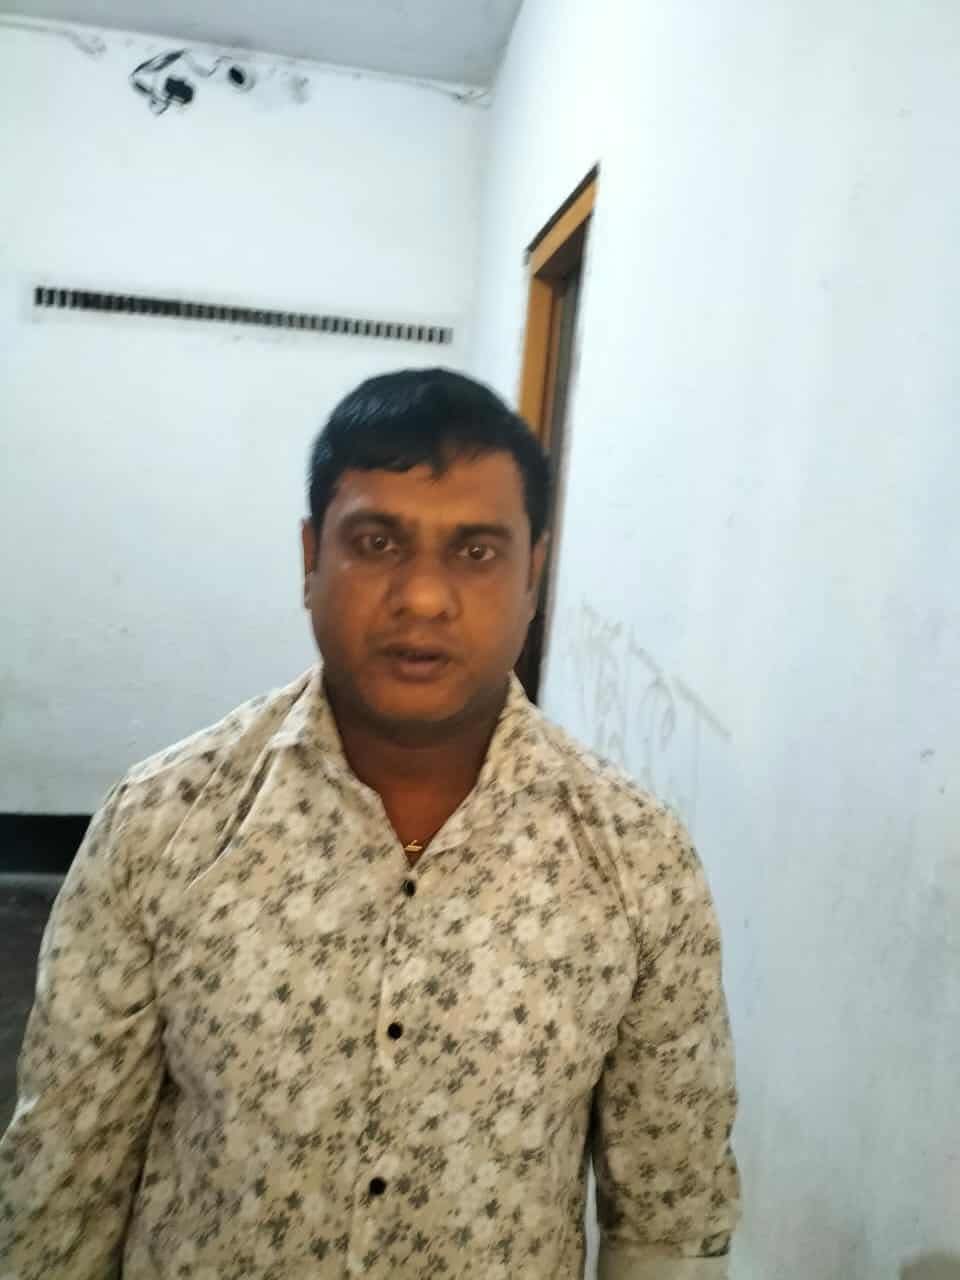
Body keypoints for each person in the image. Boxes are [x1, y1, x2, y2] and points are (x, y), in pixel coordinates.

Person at [0, 368, 740, 1278]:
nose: (422, 597)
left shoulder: (638, 861)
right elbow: (63, 1181)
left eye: (476, 551)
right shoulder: (162, 825)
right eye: (377, 542)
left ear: (533, 576)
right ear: (311, 558)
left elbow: (670, 1216)